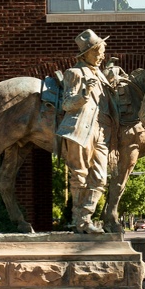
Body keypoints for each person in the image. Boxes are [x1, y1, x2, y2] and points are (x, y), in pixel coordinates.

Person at [56, 29, 115, 234]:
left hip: (101, 131)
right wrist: (85, 92)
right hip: (79, 129)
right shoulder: (74, 73)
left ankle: (85, 216)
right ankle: (80, 221)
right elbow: (67, 104)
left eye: (102, 51)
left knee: (100, 178)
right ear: (86, 53)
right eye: (98, 51)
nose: (101, 55)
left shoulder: (100, 74)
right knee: (79, 176)